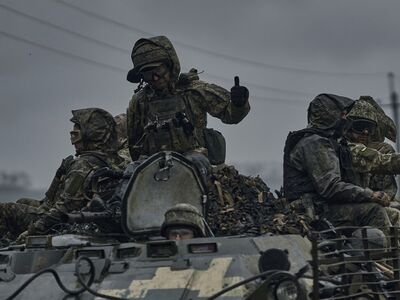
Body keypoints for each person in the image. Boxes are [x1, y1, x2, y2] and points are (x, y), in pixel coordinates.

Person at [126, 36, 250, 173]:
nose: (155, 78)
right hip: (153, 164)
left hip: (194, 160)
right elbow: (135, 143)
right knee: (131, 173)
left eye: (158, 70)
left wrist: (239, 104)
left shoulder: (193, 91)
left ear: (170, 65)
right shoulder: (139, 101)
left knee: (194, 165)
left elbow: (230, 115)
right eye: (148, 74)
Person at [283, 94, 392, 232]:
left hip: (323, 206)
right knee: (374, 211)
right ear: (330, 115)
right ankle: (382, 253)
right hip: (311, 211)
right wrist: (370, 195)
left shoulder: (331, 142)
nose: (345, 119)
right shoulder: (314, 143)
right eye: (342, 115)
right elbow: (331, 187)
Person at [25, 108, 126, 236]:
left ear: (92, 135)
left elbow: (63, 210)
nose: (73, 141)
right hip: (91, 222)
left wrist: (28, 234)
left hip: (71, 224)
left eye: (76, 135)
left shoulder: (83, 165)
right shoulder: (117, 160)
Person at [0, 155, 74, 241]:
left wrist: (34, 229)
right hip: (52, 207)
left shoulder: (80, 168)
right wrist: (58, 176)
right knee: (22, 201)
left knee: (5, 209)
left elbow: (63, 206)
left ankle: (6, 241)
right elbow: (49, 197)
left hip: (55, 216)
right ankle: (13, 236)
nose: (74, 144)